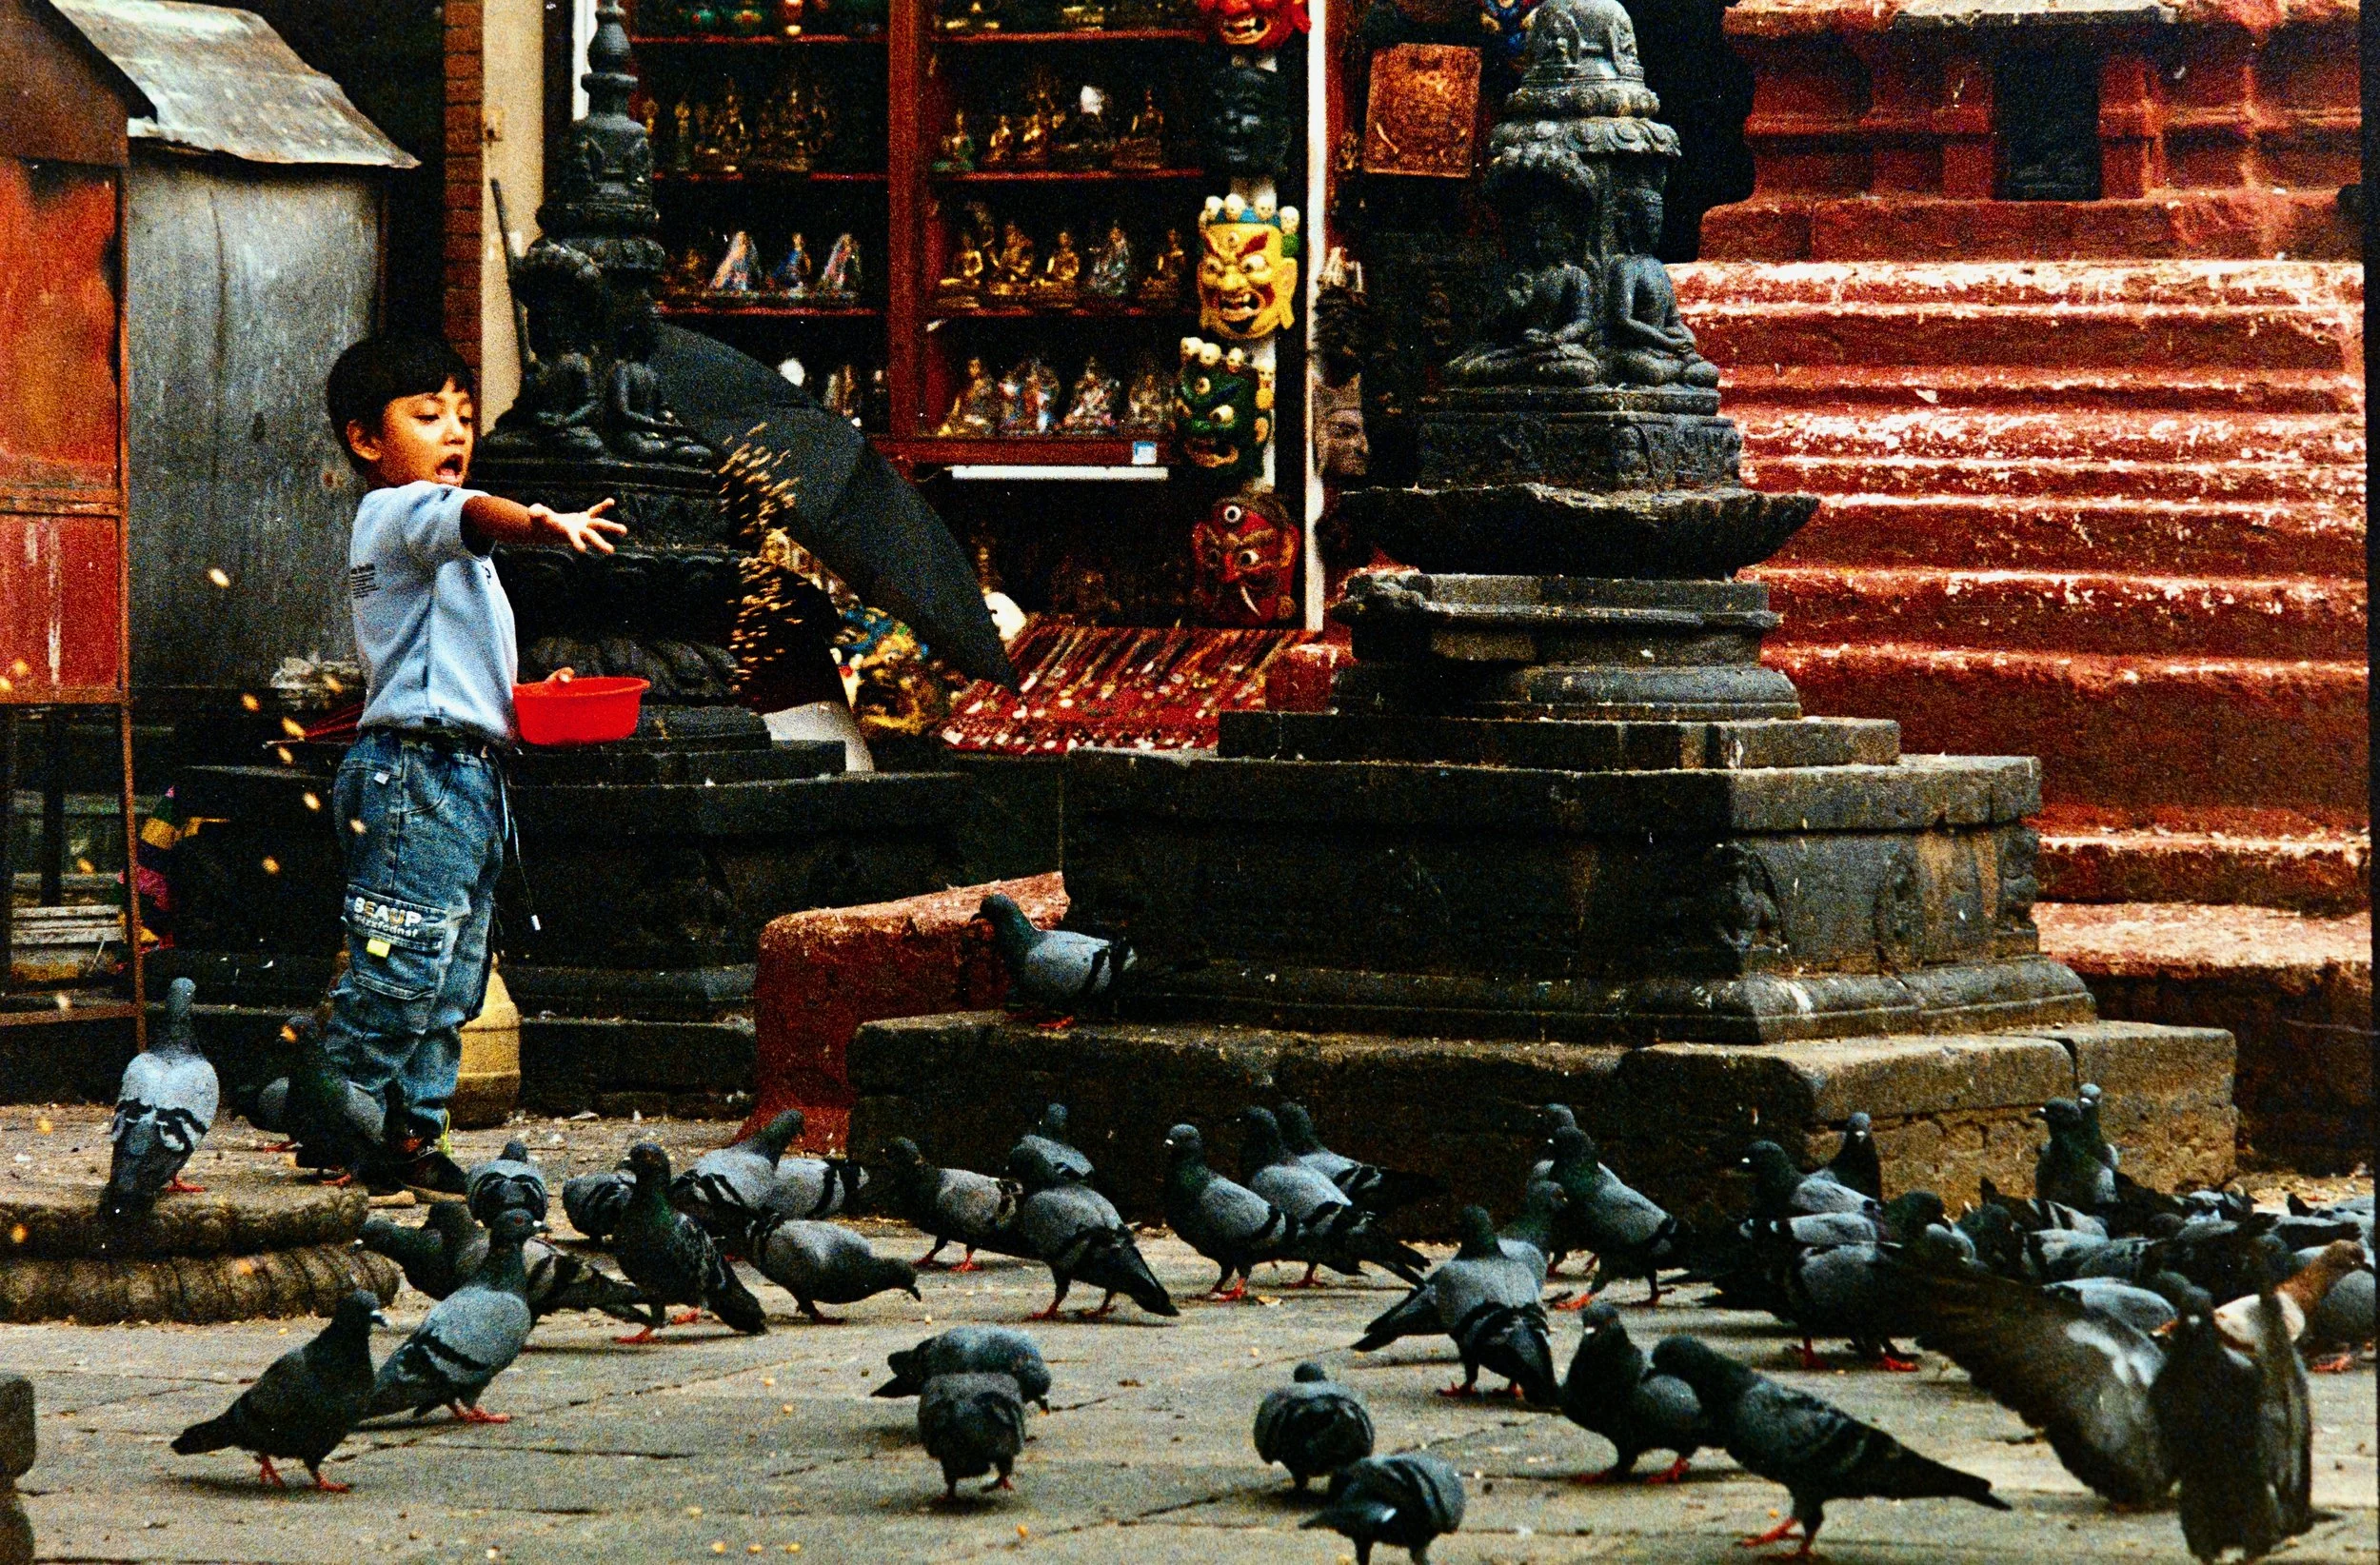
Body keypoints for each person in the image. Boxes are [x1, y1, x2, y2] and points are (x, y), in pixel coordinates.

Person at [321, 334, 626, 1191]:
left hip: (463, 772)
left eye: (463, 414)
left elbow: (452, 664)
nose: (455, 430)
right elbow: (474, 513)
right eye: (428, 415)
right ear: (365, 440)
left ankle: (410, 1135)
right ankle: (336, 1112)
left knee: (453, 977)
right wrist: (541, 521)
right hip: (418, 773)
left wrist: (526, 696)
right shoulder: (402, 512)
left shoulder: (442, 549)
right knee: (404, 964)